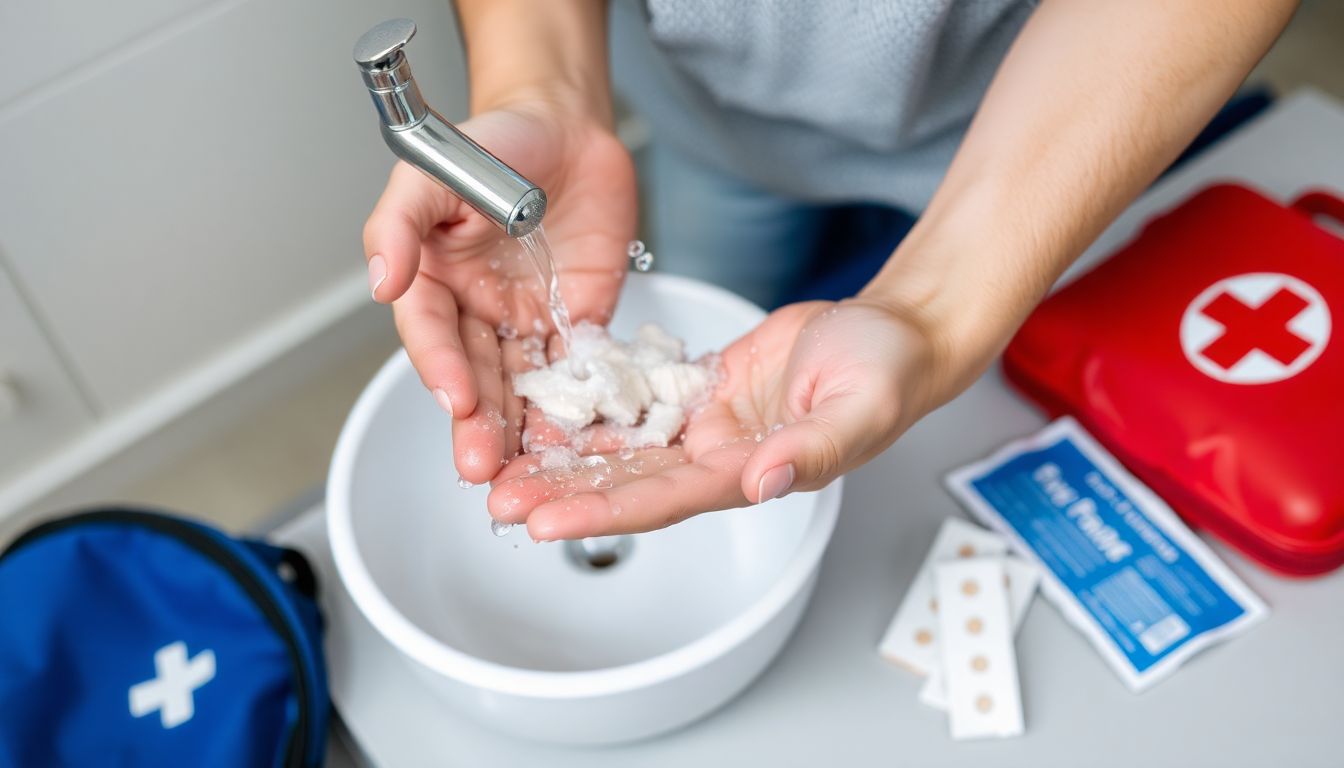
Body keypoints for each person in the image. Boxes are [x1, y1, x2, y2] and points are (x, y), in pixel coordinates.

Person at [361, 0, 1296, 541]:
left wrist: (933, 312)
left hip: (1038, 127)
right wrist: (543, 87)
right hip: (709, 130)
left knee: (1035, 378)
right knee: (727, 298)